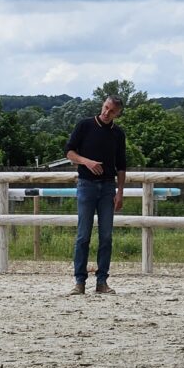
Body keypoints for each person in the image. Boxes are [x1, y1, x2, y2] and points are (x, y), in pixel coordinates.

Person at [65, 95, 126, 295]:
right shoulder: (85, 125)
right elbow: (69, 152)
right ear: (102, 104)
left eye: (112, 111)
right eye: (106, 107)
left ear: (118, 114)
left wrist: (120, 192)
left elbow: (121, 165)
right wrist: (87, 162)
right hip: (86, 185)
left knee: (106, 236)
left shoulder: (118, 134)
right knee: (83, 235)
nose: (107, 113)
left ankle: (102, 281)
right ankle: (79, 281)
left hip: (108, 187)